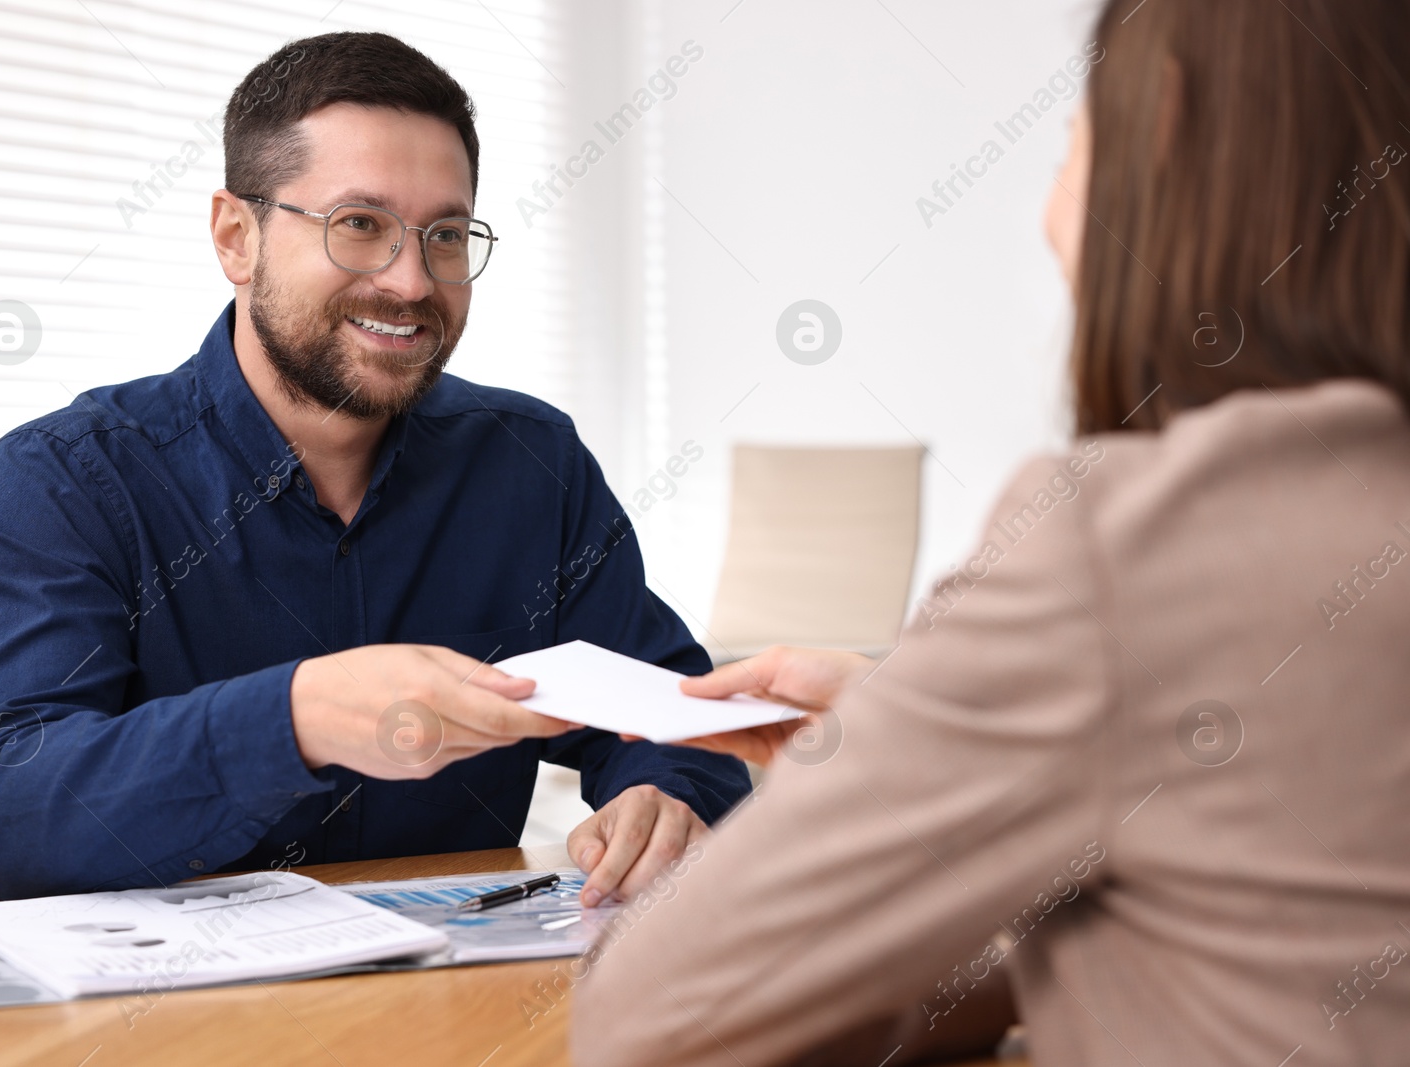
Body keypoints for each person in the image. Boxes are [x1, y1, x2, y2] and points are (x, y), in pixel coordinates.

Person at [572, 0, 1410, 1063]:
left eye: (1074, 133)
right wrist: (978, 779)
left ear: (1161, 136)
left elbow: (646, 1020)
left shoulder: (1126, 542)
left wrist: (912, 794)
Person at [0, 32, 748, 903]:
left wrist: (663, 796)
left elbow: (676, 712)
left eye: (444, 234)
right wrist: (296, 718)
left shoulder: (529, 462)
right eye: (359, 225)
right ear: (235, 237)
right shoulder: (61, 481)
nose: (409, 281)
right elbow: (7, 818)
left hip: (459, 1012)